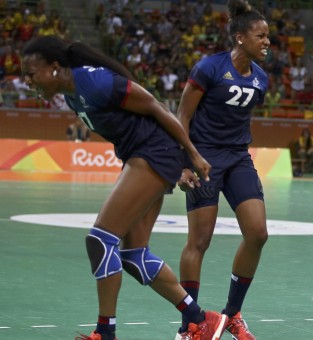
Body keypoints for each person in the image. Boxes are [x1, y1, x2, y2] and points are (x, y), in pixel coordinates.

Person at [20, 36, 222, 340]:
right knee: (134, 256)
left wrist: (190, 156)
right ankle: (200, 319)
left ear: (54, 67)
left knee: (100, 241)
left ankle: (105, 333)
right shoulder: (72, 95)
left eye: (31, 73)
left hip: (153, 153)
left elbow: (156, 107)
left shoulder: (96, 83)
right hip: (145, 155)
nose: (27, 81)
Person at [175, 0, 269, 339]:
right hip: (204, 159)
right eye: (261, 36)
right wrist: (185, 162)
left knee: (258, 233)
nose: (267, 42)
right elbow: (182, 116)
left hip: (238, 158)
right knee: (199, 241)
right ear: (240, 38)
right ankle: (190, 325)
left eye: (268, 37)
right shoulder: (208, 68)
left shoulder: (261, 78)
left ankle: (232, 314)